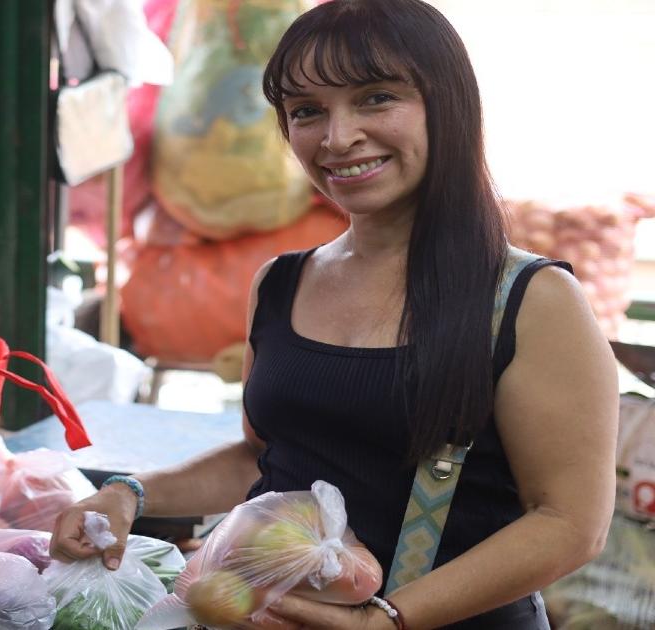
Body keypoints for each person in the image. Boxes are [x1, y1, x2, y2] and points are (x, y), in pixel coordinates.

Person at [50, 1, 619, 628]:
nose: (337, 137)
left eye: (375, 99)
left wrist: (388, 620)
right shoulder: (280, 282)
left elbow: (568, 523)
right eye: (307, 112)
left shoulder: (530, 299)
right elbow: (260, 457)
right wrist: (126, 493)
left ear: (448, 104)